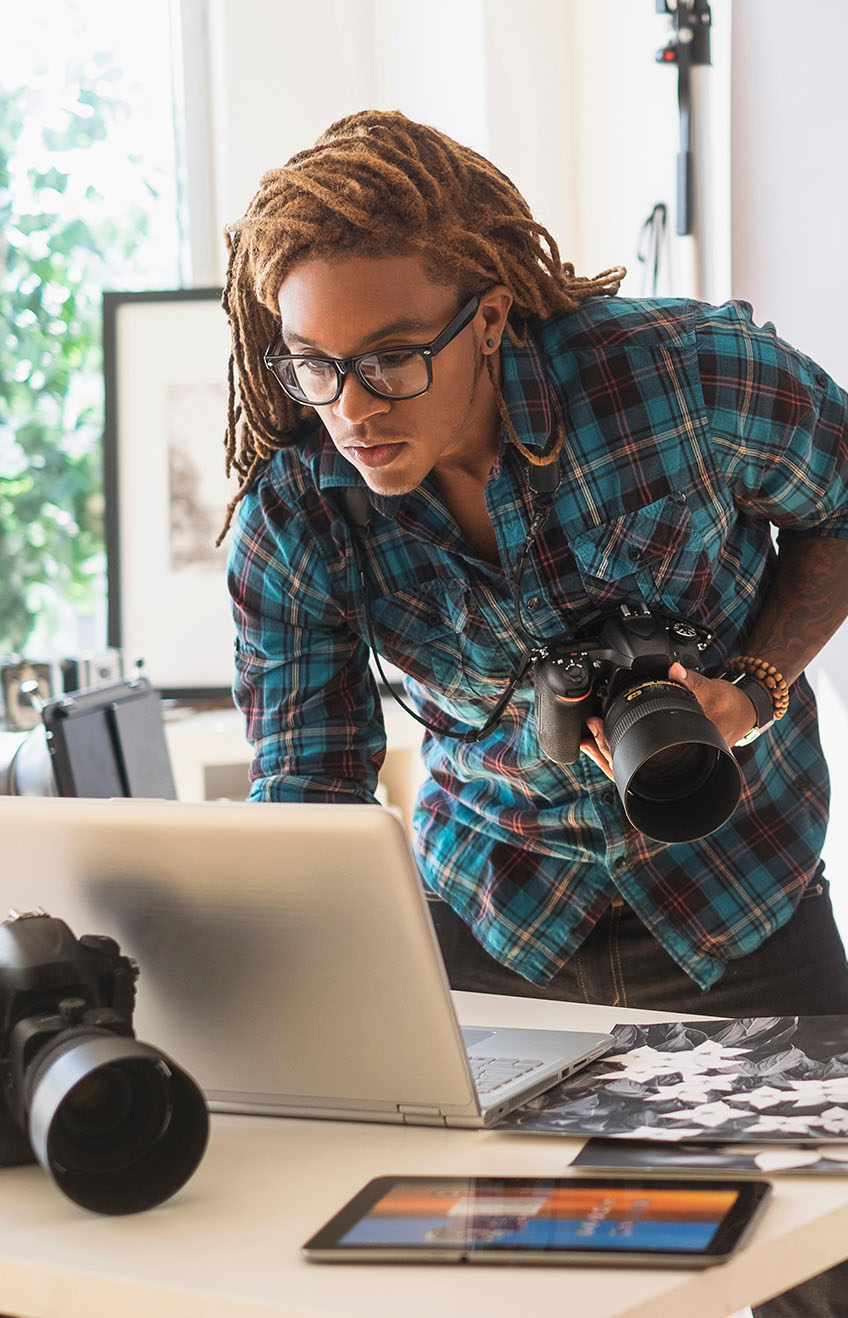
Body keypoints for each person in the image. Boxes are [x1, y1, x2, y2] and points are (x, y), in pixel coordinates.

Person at [219, 110, 848, 1316]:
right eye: (312, 363)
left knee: (814, 1272)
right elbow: (306, 804)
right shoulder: (296, 515)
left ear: (490, 317)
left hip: (739, 894)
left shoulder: (683, 376)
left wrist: (755, 685)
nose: (351, 406)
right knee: (484, 1282)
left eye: (392, 356)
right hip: (491, 923)